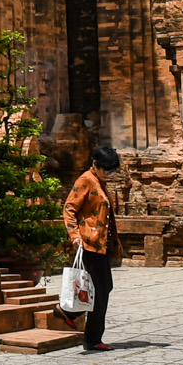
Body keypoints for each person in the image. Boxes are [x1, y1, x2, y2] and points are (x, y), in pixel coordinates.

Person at [64, 144, 121, 352]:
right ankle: (89, 335)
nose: (109, 174)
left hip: (101, 244)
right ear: (94, 165)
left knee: (104, 288)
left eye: (112, 170)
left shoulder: (98, 181)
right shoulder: (86, 180)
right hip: (89, 242)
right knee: (102, 289)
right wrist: (75, 236)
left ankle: (75, 320)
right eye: (106, 169)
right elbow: (69, 208)